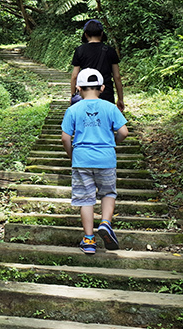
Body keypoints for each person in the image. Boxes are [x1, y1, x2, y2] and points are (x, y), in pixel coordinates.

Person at [61, 68, 128, 254]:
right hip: (106, 159)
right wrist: (112, 143)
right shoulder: (110, 108)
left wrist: (71, 155)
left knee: (86, 199)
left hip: (81, 159)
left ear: (78, 88)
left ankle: (89, 240)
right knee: (108, 193)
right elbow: (123, 132)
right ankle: (106, 223)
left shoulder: (73, 109)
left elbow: (65, 138)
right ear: (103, 87)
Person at [70, 19, 125, 111]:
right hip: (105, 92)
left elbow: (74, 76)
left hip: (86, 93)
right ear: (102, 34)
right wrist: (120, 99)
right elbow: (117, 76)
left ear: (86, 34)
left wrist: (73, 96)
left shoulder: (80, 50)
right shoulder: (110, 51)